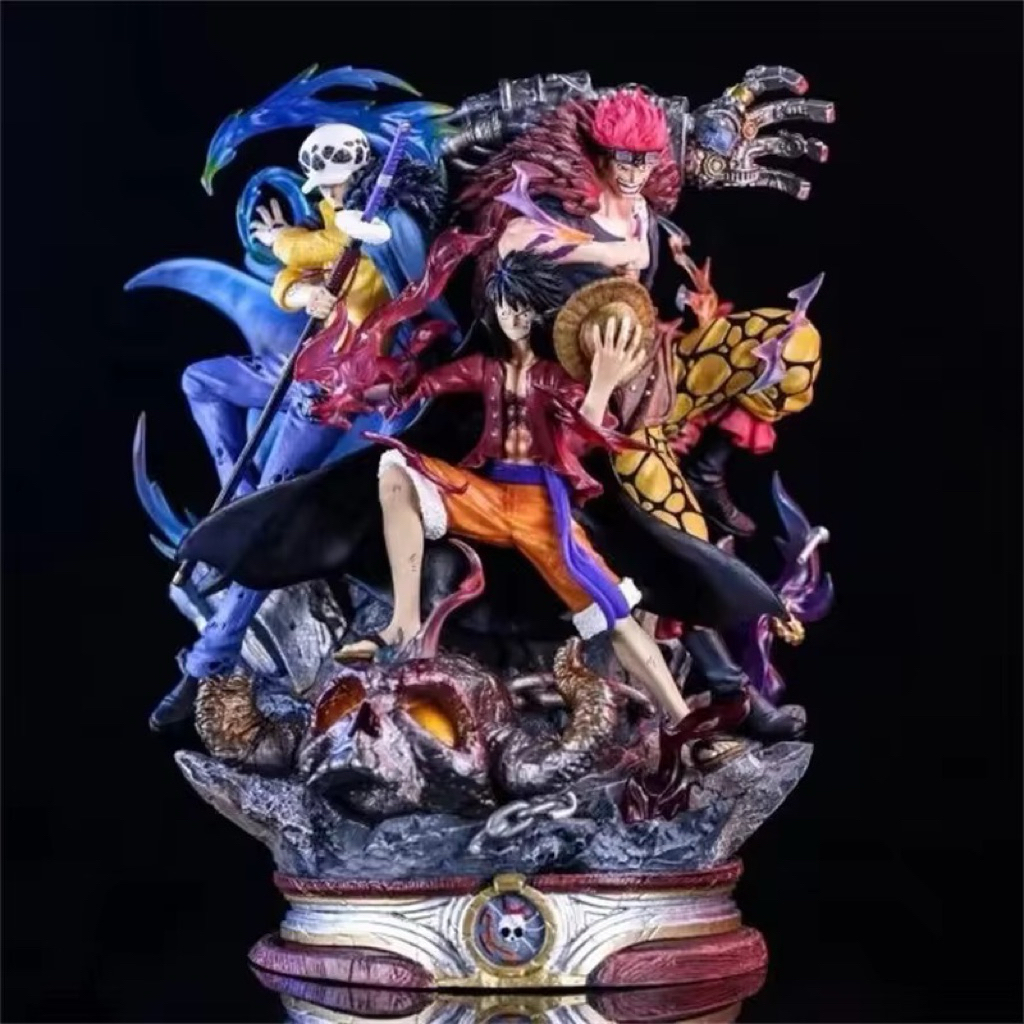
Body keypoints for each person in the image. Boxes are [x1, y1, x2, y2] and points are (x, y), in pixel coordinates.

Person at [149, 123, 454, 730]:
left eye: (336, 186)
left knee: (264, 533)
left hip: (341, 393)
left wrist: (287, 242)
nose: (330, 196)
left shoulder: (388, 229)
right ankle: (239, 494)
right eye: (326, 188)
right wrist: (301, 296)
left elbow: (334, 253)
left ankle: (208, 660)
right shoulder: (338, 216)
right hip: (308, 365)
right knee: (201, 381)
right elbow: (297, 273)